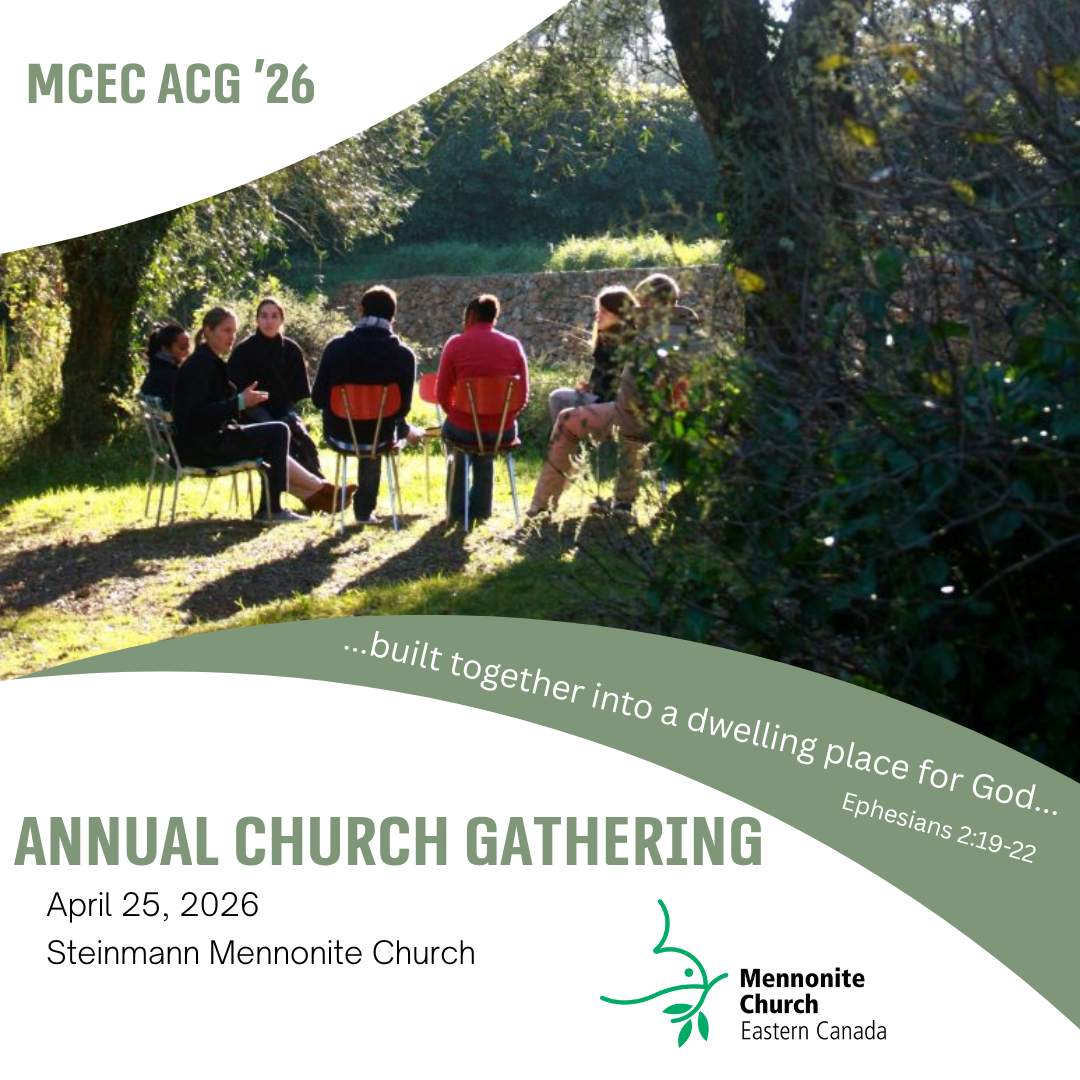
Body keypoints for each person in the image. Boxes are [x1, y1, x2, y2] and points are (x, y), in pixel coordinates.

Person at [527, 273, 700, 517]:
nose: (636, 308)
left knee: (567, 419)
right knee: (596, 418)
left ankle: (542, 506)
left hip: (636, 415)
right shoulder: (685, 331)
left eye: (640, 303)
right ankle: (621, 504)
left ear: (651, 303)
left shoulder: (659, 332)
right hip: (658, 418)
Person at [171, 307, 333, 522]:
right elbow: (196, 413)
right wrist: (239, 402)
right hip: (202, 447)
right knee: (277, 432)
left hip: (204, 440)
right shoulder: (201, 364)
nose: (231, 337)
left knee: (278, 430)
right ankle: (282, 505)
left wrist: (238, 404)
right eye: (226, 330)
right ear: (208, 331)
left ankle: (315, 493)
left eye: (234, 332)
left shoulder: (207, 360)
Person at [311, 285, 420, 525]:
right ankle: (364, 510)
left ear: (360, 310)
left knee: (370, 434)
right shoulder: (404, 355)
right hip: (379, 437)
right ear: (393, 315)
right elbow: (402, 409)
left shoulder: (335, 347)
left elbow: (318, 399)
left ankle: (355, 508)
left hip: (338, 434)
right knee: (376, 438)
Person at [436, 294, 529, 524]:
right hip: (502, 430)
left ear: (470, 315)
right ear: (494, 318)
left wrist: (457, 415)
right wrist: (504, 418)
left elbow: (441, 393)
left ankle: (457, 512)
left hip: (463, 427)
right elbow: (522, 395)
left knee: (459, 446)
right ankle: (481, 510)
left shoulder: (455, 344)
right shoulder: (513, 344)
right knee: (486, 449)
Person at [227, 297, 325, 478]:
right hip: (252, 414)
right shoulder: (243, 351)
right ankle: (310, 490)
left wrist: (288, 414)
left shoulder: (291, 349)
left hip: (284, 409)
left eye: (274, 316)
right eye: (264, 316)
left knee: (301, 437)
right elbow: (234, 393)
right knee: (278, 432)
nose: (269, 321)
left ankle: (318, 483)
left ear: (282, 319)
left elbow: (298, 392)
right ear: (257, 320)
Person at [547, 286, 635, 423]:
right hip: (601, 400)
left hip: (615, 406)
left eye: (604, 312)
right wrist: (590, 387)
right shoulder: (605, 338)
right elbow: (602, 375)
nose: (598, 316)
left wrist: (594, 394)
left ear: (620, 314)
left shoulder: (630, 343)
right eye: (598, 310)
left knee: (558, 398)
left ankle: (564, 440)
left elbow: (621, 386)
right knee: (559, 397)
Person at [140, 322, 191, 401]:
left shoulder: (156, 368)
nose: (187, 352)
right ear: (165, 349)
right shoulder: (168, 376)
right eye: (182, 348)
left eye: (188, 347)